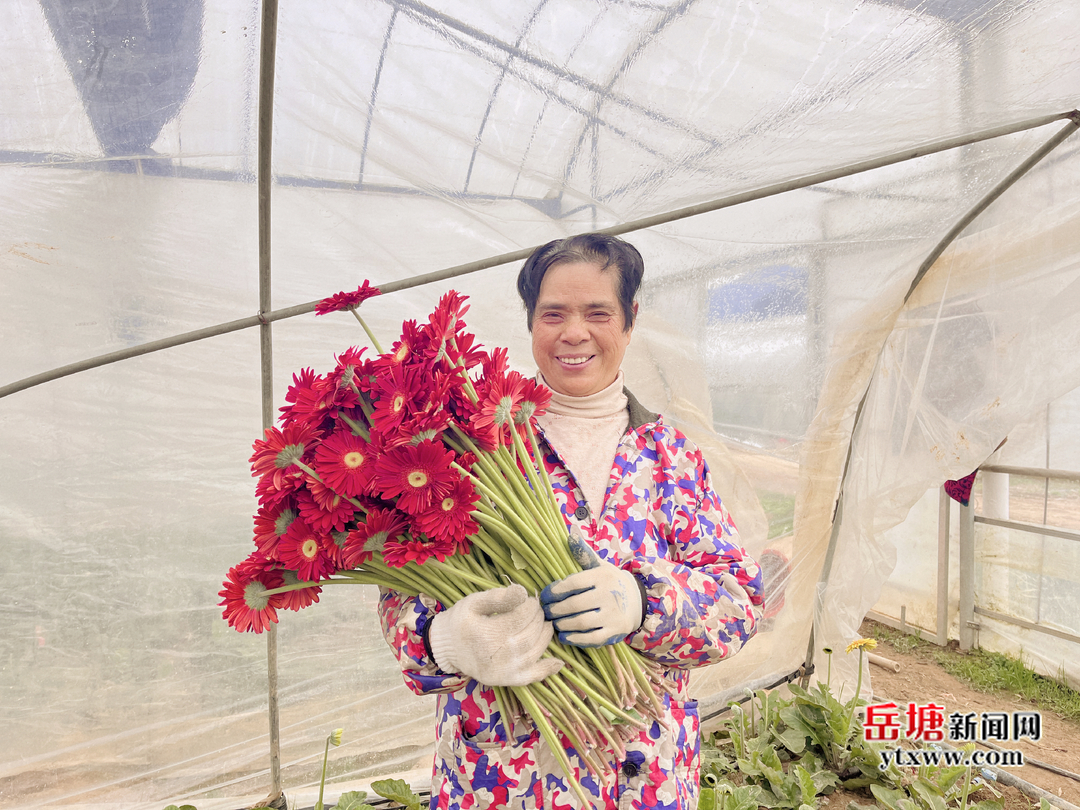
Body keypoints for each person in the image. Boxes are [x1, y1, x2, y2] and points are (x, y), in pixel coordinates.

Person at [378, 233, 763, 809]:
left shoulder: (669, 454)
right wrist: (443, 641)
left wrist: (643, 601)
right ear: (531, 322)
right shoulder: (472, 449)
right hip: (502, 776)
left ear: (629, 320)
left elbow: (738, 600)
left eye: (597, 313)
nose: (574, 333)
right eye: (553, 313)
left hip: (643, 776)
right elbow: (399, 595)